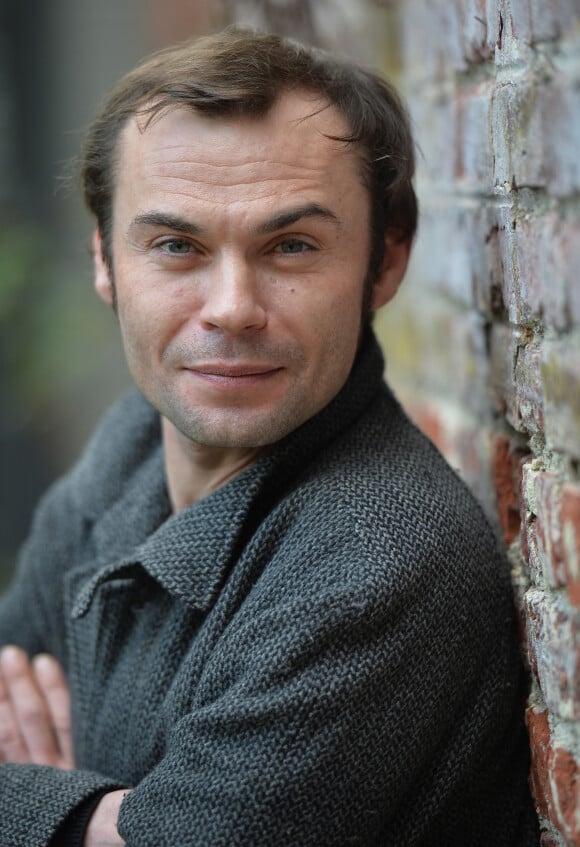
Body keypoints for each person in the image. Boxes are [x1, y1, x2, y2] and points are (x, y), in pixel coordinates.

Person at [0, 27, 539, 847]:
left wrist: (40, 804)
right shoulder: (133, 444)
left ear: (385, 260)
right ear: (105, 259)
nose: (232, 307)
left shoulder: (378, 560)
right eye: (176, 245)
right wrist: (90, 820)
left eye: (290, 245)